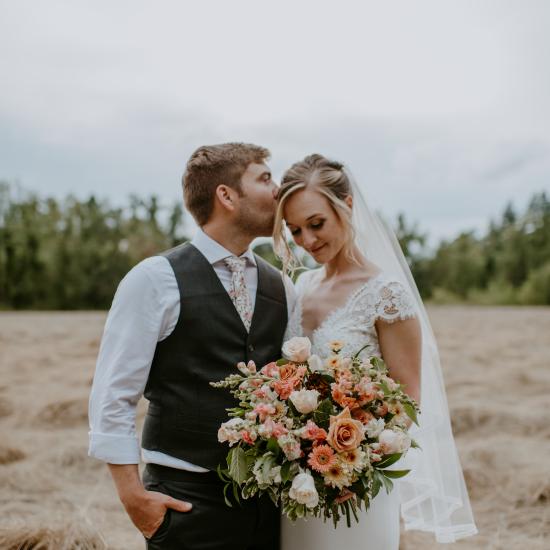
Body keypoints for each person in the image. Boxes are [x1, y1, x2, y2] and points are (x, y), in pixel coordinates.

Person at [88, 142, 295, 550]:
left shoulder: (282, 286)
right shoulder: (154, 278)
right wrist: (134, 498)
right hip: (185, 501)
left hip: (270, 503)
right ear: (226, 195)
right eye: (265, 178)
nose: (279, 190)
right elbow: (113, 392)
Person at [274, 154, 477, 548]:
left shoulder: (386, 294)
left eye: (316, 224)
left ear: (347, 207)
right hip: (298, 479)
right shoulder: (302, 288)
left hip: (355, 480)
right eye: (295, 230)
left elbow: (407, 399)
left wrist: (351, 457)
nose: (307, 241)